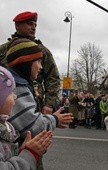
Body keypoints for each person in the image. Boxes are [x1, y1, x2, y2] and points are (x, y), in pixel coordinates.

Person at [5, 38, 73, 169]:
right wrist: (55, 119)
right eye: (38, 61)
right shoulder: (18, 88)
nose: (41, 67)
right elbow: (33, 126)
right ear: (25, 62)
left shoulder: (18, 82)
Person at [0, 11, 60, 114]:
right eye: (29, 24)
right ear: (17, 26)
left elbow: (53, 78)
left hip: (33, 102)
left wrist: (49, 104)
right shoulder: (4, 49)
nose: (33, 27)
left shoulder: (42, 50)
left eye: (35, 25)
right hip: (6, 102)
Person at [0, 65, 53, 170]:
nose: (15, 96)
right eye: (11, 93)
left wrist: (21, 151)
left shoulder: (5, 127)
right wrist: (29, 154)